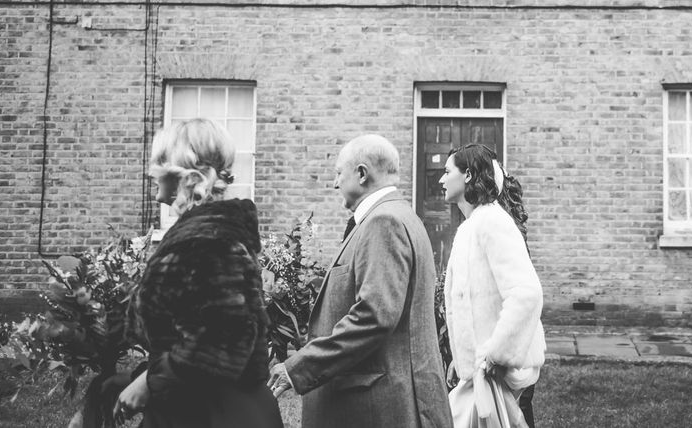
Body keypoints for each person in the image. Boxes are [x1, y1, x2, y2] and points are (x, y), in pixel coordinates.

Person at [268, 133, 453, 428]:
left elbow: (374, 316)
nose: (334, 183)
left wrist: (298, 368)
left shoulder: (384, 222)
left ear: (362, 174)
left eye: (338, 173)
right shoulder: (398, 215)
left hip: (382, 407)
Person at [113, 118, 283, 428]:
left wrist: (149, 382)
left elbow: (221, 339)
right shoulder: (204, 233)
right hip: (197, 401)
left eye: (160, 169)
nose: (154, 182)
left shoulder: (210, 240)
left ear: (185, 176)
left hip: (212, 411)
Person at [440, 144, 545, 428]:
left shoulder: (492, 222)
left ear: (468, 175)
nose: (441, 179)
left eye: (447, 171)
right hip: (481, 374)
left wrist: (492, 355)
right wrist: (461, 355)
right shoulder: (473, 225)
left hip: (499, 375)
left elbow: (526, 294)